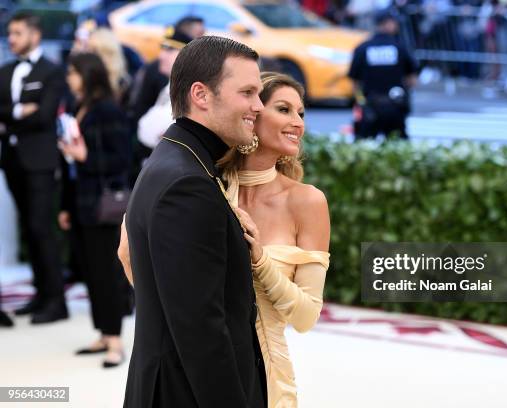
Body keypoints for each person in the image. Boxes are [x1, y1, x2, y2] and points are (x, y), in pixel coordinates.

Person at [119, 72, 331, 407]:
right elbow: (134, 260)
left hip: (269, 375)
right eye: (284, 109)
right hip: (190, 364)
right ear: (253, 112)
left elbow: (306, 317)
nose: (298, 123)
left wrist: (260, 261)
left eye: (300, 113)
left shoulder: (307, 202)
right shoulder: (199, 184)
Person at [122, 36, 267, 408]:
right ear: (201, 95)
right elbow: (201, 332)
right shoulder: (187, 182)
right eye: (248, 93)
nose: (259, 107)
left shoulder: (179, 159)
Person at [58, 52, 131, 368]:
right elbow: (73, 162)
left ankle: (115, 340)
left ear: (88, 74)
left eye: (73, 72)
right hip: (81, 201)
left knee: (106, 273)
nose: (69, 77)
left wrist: (84, 156)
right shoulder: (78, 106)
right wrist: (65, 205)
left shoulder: (107, 110)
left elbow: (122, 160)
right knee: (90, 271)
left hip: (104, 205)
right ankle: (103, 333)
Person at [0, 12, 68, 324]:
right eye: (9, 33)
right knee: (28, 228)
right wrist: (19, 110)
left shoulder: (52, 71)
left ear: (34, 35)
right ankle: (40, 294)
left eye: (17, 33)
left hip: (40, 160)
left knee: (42, 228)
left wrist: (11, 115)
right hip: (12, 159)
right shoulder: (6, 70)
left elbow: (43, 117)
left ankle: (56, 301)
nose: (11, 39)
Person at [348, 8, 418, 139]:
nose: (397, 25)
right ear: (387, 23)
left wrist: (362, 102)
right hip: (395, 108)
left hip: (370, 108)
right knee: (397, 149)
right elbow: (412, 80)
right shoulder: (400, 47)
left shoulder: (363, 48)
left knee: (363, 149)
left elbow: (354, 84)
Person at [136, 30, 193, 151]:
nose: (161, 56)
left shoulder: (189, 92)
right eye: (162, 49)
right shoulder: (171, 85)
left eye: (170, 50)